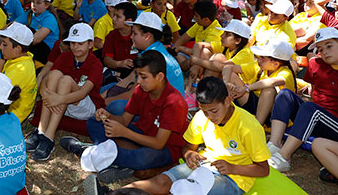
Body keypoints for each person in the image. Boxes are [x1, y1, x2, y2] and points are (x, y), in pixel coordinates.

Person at [109, 77, 270, 195]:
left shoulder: (248, 126)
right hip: (203, 166)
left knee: (186, 190)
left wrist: (232, 168)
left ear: (228, 101)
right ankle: (112, 193)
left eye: (214, 111)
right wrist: (190, 154)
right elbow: (188, 148)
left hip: (234, 178)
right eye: (205, 111)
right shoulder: (202, 117)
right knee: (160, 182)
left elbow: (263, 170)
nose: (210, 117)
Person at [268, 28, 338, 172]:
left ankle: (284, 157)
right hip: (314, 117)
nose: (324, 51)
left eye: (329, 46)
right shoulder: (315, 65)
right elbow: (314, 93)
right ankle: (274, 144)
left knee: (310, 108)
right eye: (320, 49)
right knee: (285, 94)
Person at [73, 51, 188, 184]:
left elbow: (158, 143)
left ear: (160, 77)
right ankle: (119, 160)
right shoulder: (141, 90)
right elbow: (124, 120)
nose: (138, 81)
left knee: (143, 158)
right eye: (137, 75)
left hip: (165, 148)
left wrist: (124, 132)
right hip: (140, 134)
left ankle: (92, 152)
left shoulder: (173, 102)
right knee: (94, 122)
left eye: (143, 77)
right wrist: (108, 116)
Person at [25, 23, 105, 161]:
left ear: (90, 44)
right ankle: (41, 131)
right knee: (55, 73)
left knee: (66, 80)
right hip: (62, 102)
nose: (75, 47)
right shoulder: (65, 57)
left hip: (85, 105)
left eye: (80, 43)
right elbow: (47, 79)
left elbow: (82, 93)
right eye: (73, 43)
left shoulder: (95, 64)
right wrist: (45, 93)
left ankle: (49, 138)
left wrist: (57, 99)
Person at [228, 40, 296, 125]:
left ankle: (257, 126)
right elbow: (228, 68)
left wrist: (246, 88)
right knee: (231, 76)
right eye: (259, 56)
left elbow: (271, 82)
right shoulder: (259, 66)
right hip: (255, 103)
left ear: (275, 64)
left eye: (263, 58)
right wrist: (227, 84)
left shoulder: (286, 73)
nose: (259, 60)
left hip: (273, 113)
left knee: (269, 90)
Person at [0, 22, 38, 122]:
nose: (0, 47)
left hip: (7, 118)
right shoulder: (23, 58)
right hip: (7, 113)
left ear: (18, 49)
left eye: (4, 44)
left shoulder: (20, 69)